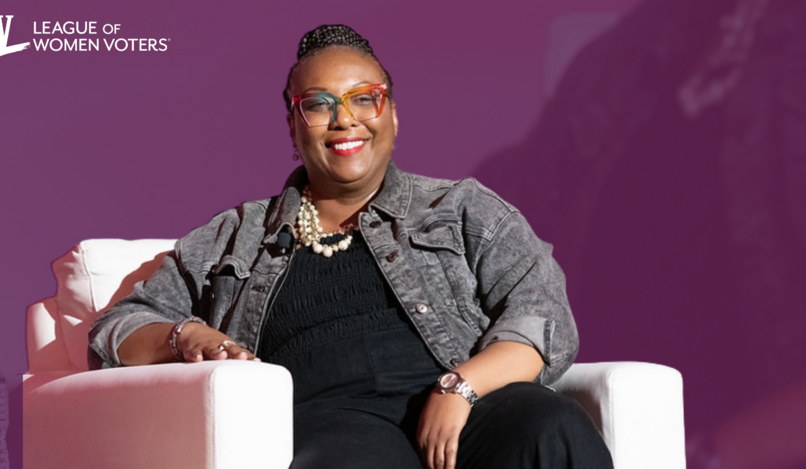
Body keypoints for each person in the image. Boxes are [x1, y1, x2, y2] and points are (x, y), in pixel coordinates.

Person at [88, 24, 613, 469]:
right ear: (293, 128)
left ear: (392, 114)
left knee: (554, 426)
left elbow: (541, 314)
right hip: (333, 424)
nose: (345, 119)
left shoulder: (461, 208)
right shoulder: (236, 234)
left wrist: (460, 388)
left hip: (467, 409)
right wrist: (187, 336)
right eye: (318, 105)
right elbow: (116, 329)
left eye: (365, 98)